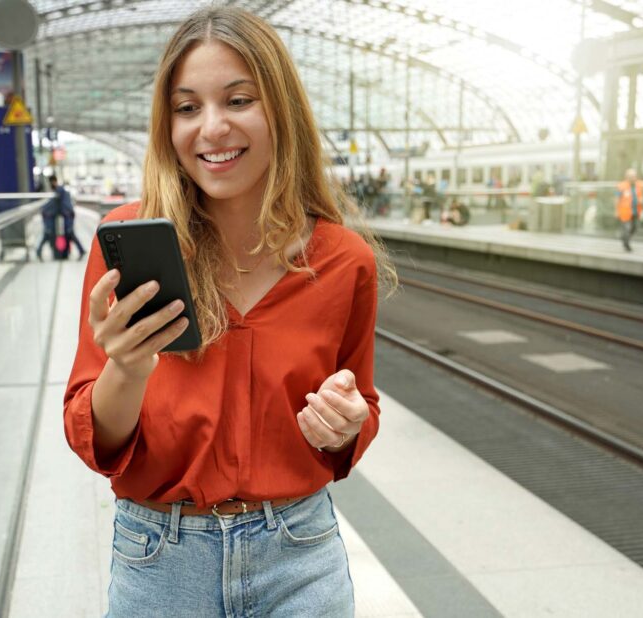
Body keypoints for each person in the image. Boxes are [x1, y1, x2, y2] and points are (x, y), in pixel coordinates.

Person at [63, 7, 396, 616]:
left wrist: (347, 424)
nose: (211, 128)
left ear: (282, 111)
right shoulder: (126, 242)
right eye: (187, 108)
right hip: (160, 559)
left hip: (300, 551)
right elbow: (95, 440)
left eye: (238, 100)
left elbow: (361, 406)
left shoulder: (344, 261)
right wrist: (128, 369)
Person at [55, 178, 86, 260]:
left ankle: (78, 250)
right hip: (68, 215)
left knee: (69, 233)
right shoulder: (65, 192)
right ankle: (67, 252)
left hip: (67, 215)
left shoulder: (60, 191)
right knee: (68, 234)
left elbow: (64, 204)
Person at [617, 168, 643, 252]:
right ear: (626, 177)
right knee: (626, 228)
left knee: (635, 227)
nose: (633, 178)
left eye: (634, 176)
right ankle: (626, 244)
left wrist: (642, 202)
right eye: (631, 176)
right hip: (625, 212)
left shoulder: (640, 185)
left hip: (636, 211)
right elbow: (617, 198)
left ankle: (625, 237)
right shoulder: (621, 186)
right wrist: (617, 210)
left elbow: (641, 196)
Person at [36, 178, 61, 261]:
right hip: (49, 221)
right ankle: (40, 251)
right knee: (47, 236)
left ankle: (52, 252)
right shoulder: (52, 195)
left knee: (48, 237)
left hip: (49, 220)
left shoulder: (52, 194)